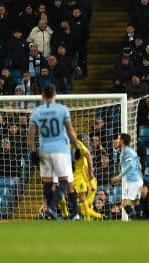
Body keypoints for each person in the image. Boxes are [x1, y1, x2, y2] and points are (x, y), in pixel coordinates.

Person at [28, 83, 79, 220]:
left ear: (43, 95)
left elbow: (31, 134)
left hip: (44, 150)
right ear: (55, 94)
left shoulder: (36, 111)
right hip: (60, 150)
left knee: (48, 182)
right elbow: (70, 131)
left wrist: (33, 151)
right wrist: (76, 148)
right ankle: (52, 208)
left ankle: (51, 213)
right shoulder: (62, 109)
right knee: (64, 180)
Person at [112, 132, 143, 221]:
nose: (116, 141)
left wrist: (119, 176)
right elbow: (139, 165)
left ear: (121, 141)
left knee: (124, 203)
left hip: (133, 181)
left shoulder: (126, 151)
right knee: (135, 203)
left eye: (118, 139)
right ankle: (140, 223)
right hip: (137, 180)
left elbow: (131, 165)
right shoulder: (131, 150)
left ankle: (135, 224)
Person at [70, 135, 102, 220]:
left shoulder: (82, 157)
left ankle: (99, 216)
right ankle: (96, 219)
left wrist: (90, 183)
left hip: (89, 182)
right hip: (86, 181)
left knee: (83, 206)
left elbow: (86, 169)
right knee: (85, 206)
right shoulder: (78, 153)